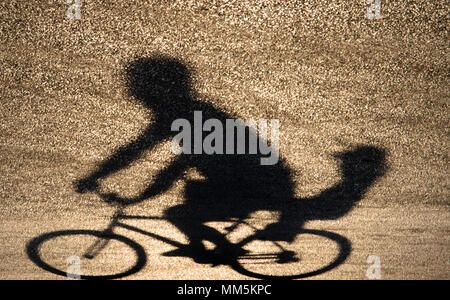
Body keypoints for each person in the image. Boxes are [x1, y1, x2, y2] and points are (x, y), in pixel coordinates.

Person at [75, 56, 386, 264]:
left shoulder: (182, 116)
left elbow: (150, 158)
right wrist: (114, 182)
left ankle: (221, 250)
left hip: (258, 186)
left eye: (139, 87)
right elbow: (144, 154)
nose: (135, 93)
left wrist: (123, 189)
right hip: (257, 180)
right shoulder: (190, 111)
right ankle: (200, 246)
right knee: (186, 199)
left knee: (180, 214)